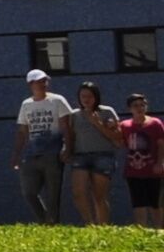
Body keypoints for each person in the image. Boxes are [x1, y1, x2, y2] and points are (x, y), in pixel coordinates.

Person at [14, 68, 75, 221]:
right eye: (40, 81)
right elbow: (22, 130)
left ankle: (52, 222)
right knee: (29, 191)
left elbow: (66, 126)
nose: (44, 84)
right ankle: (44, 220)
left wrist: (67, 147)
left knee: (53, 192)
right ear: (31, 84)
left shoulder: (57, 100)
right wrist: (16, 155)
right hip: (31, 153)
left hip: (53, 152)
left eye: (45, 81)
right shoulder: (26, 104)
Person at [76, 80, 127, 226]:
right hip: (80, 156)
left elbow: (117, 137)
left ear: (96, 97)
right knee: (78, 192)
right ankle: (89, 224)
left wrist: (97, 123)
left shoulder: (107, 111)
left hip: (103, 155)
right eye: (83, 96)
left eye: (89, 96)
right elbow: (70, 135)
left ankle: (102, 226)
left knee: (99, 195)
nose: (86, 99)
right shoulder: (74, 114)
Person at [122, 91, 164, 229]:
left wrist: (160, 162)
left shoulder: (155, 124)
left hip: (152, 170)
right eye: (136, 105)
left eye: (142, 105)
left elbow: (161, 144)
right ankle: (142, 230)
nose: (139, 108)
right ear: (130, 109)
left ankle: (159, 229)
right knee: (138, 202)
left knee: (155, 201)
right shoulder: (125, 125)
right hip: (133, 171)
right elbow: (117, 140)